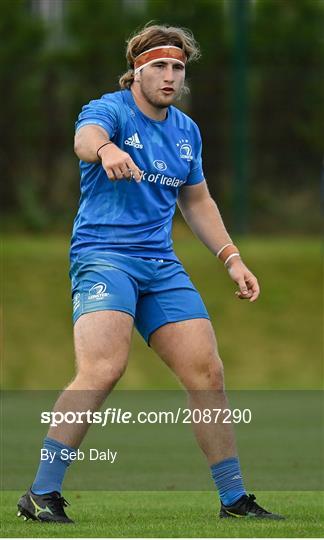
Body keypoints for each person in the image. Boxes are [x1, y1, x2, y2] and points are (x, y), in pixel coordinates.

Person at [17, 23, 284, 523]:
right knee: (103, 369)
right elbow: (85, 137)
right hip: (104, 256)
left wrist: (232, 258)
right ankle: (41, 494)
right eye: (158, 66)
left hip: (161, 265)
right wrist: (106, 149)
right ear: (136, 70)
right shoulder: (110, 110)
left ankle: (234, 500)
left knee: (208, 374)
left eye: (177, 67)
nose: (169, 76)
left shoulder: (186, 131)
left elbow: (197, 200)